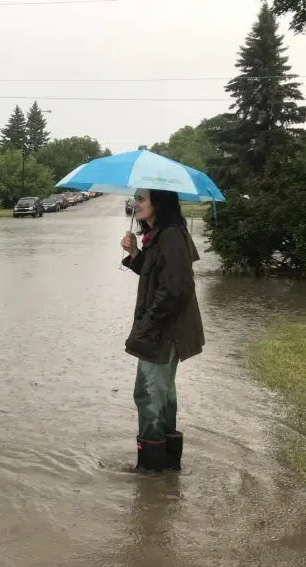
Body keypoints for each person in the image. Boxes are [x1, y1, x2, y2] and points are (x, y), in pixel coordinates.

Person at [119, 189, 205, 473]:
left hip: (165, 330)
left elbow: (176, 289)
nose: (136, 204)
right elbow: (156, 274)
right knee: (164, 394)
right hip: (166, 328)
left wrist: (148, 325)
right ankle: (167, 468)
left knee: (147, 393)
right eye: (136, 199)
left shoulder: (170, 236)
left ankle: (150, 471)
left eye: (141, 199)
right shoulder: (161, 235)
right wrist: (134, 254)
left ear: (159, 203)